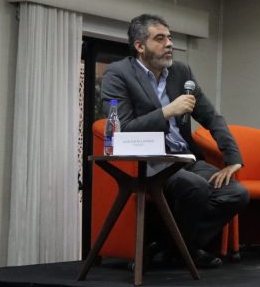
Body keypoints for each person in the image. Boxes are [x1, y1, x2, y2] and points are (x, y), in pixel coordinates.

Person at [100, 14, 249, 268]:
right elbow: (123, 130)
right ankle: (184, 251)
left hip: (184, 157)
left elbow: (211, 117)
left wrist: (233, 158)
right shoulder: (118, 74)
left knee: (236, 193)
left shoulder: (181, 72)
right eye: (160, 38)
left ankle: (171, 247)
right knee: (196, 187)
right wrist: (168, 111)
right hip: (150, 160)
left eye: (169, 38)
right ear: (139, 46)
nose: (169, 43)